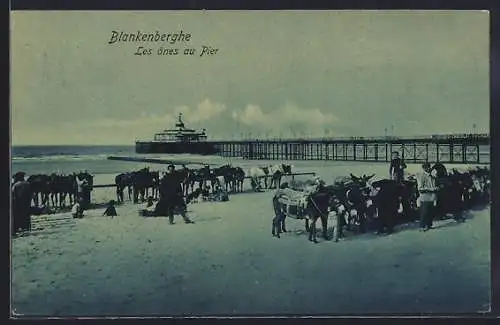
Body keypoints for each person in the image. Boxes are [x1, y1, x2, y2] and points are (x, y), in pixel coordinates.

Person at [417, 162, 438, 231]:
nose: (428, 169)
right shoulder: (421, 176)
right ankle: (422, 226)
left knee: (430, 212)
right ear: (424, 168)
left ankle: (429, 225)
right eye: (426, 167)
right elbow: (420, 188)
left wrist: (436, 188)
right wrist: (431, 189)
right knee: (424, 212)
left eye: (429, 167)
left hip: (432, 197)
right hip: (425, 197)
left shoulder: (432, 177)